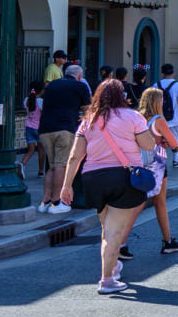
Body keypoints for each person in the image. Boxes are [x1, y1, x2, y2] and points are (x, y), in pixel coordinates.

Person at [59, 79, 159, 294]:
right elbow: (148, 145)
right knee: (114, 232)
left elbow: (75, 156)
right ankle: (107, 280)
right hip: (123, 178)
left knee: (106, 228)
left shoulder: (88, 120)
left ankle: (112, 267)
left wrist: (67, 185)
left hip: (93, 178)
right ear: (122, 95)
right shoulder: (133, 117)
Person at [134, 86, 178, 256]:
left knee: (148, 201)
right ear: (157, 102)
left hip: (141, 162)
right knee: (147, 202)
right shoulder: (159, 120)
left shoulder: (138, 117)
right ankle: (120, 242)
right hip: (158, 163)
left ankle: (168, 240)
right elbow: (174, 142)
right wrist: (164, 142)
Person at [37, 64, 91, 214]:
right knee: (61, 165)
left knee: (52, 165)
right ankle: (57, 201)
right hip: (65, 128)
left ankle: (45, 201)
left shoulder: (52, 85)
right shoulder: (80, 86)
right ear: (79, 76)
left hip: (44, 129)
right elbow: (88, 111)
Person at [155, 64, 178, 168]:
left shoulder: (155, 85)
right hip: (173, 119)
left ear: (162, 73)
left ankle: (160, 161)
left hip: (159, 120)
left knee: (159, 140)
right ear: (173, 73)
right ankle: (175, 159)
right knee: (174, 139)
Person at [19, 80, 44, 180]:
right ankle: (41, 170)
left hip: (28, 126)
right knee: (41, 149)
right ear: (41, 91)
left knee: (31, 150)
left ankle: (22, 163)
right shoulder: (41, 102)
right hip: (39, 127)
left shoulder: (26, 100)